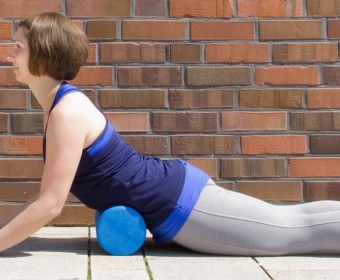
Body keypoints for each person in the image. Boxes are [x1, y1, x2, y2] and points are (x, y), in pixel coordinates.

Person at [1, 12, 340, 256]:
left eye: (18, 46)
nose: (9, 54)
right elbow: (44, 197)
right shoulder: (60, 107)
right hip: (176, 196)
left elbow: (50, 206)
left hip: (181, 205)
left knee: (292, 231)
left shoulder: (66, 111)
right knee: (295, 222)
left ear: (43, 54)